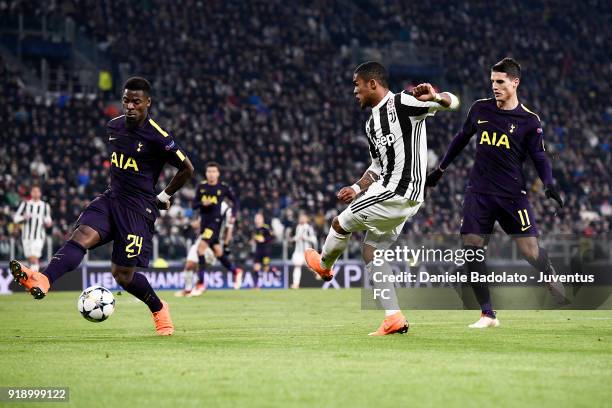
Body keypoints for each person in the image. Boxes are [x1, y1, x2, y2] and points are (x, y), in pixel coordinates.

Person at [9, 77, 194, 336]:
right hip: (111, 199)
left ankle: (159, 307)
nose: (130, 106)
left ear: (148, 103)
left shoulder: (158, 137)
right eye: (126, 100)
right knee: (81, 236)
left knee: (123, 276)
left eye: (136, 102)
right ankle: (43, 279)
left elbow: (187, 168)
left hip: (138, 210)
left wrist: (163, 195)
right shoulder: (114, 127)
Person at [305, 61, 459, 335]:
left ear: (372, 84)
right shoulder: (371, 125)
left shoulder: (403, 102)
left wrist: (436, 96)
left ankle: (325, 266)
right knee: (371, 252)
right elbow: (377, 166)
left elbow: (453, 102)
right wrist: (356, 186)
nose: (355, 91)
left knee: (340, 224)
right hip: (401, 195)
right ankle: (394, 317)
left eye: (357, 84)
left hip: (398, 190)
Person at [425, 57, 566, 328]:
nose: (495, 86)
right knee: (472, 249)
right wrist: (440, 170)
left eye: (500, 82)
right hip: (479, 193)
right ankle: (487, 314)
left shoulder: (529, 121)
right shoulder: (480, 109)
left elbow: (539, 156)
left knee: (530, 252)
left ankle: (547, 271)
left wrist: (548, 183)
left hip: (513, 196)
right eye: (492, 81)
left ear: (515, 83)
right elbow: (461, 138)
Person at [191, 162, 243, 290]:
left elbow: (235, 201)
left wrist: (234, 215)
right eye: (209, 172)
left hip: (214, 223)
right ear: (206, 173)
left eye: (214, 171)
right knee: (219, 252)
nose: (211, 174)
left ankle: (200, 283)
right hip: (204, 223)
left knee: (200, 249)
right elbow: (194, 205)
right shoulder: (201, 187)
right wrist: (203, 203)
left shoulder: (223, 187)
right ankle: (236, 271)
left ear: (218, 173)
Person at [177, 200, 234, 296]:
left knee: (197, 265)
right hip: (201, 239)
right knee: (189, 265)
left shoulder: (226, 209)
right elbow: (200, 222)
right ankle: (188, 289)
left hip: (212, 242)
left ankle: (200, 285)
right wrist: (188, 225)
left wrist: (226, 244)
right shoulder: (207, 204)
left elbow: (229, 228)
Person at [13, 185, 52, 272]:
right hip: (26, 236)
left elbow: (48, 220)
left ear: (40, 193)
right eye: (34, 191)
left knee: (34, 258)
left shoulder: (45, 206)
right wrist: (23, 217)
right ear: (31, 193)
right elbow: (15, 218)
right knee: (30, 259)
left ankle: (34, 281)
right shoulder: (25, 204)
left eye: (37, 191)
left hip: (38, 237)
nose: (35, 193)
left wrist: (48, 223)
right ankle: (32, 279)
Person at [289, 213, 317, 289]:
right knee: (297, 266)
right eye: (300, 217)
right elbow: (296, 237)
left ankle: (320, 273)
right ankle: (296, 284)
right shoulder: (298, 227)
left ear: (306, 219)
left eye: (303, 217)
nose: (301, 219)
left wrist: (305, 238)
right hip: (298, 251)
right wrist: (293, 239)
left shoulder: (309, 228)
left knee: (311, 267)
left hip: (306, 251)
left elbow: (314, 239)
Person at [251, 213, 274, 289]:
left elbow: (272, 237)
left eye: (258, 218)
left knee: (266, 268)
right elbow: (254, 238)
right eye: (256, 218)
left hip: (266, 251)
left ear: (262, 219)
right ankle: (256, 286)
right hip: (258, 251)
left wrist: (264, 239)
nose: (257, 220)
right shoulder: (254, 229)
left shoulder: (266, 228)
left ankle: (274, 271)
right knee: (256, 268)